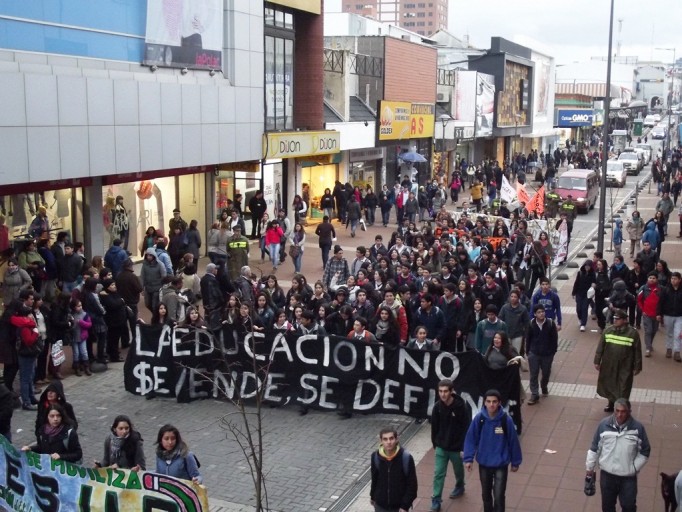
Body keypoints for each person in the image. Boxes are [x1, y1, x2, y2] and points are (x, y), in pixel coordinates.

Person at [585, 398, 651, 512]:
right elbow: (594, 448)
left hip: (628, 477)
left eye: (623, 411)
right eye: (617, 411)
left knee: (629, 506)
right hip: (607, 476)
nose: (620, 414)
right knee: (607, 507)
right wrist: (589, 468)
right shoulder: (603, 425)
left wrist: (634, 467)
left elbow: (645, 450)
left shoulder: (637, 428)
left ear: (629, 411)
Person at [463, 389, 522, 512]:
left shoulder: (506, 421)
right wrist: (468, 459)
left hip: (501, 464)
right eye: (488, 401)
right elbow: (470, 439)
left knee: (499, 496)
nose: (491, 404)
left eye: (494, 402)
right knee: (486, 495)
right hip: (484, 464)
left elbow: (513, 441)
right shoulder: (479, 419)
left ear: (499, 403)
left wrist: (515, 462)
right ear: (484, 402)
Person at [429, 379, 471, 511]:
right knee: (438, 473)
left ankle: (460, 485)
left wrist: (464, 448)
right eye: (440, 391)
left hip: (456, 447)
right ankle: (436, 499)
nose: (442, 394)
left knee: (458, 470)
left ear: (451, 391)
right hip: (441, 446)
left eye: (445, 391)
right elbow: (434, 427)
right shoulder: (437, 407)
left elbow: (466, 427)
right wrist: (435, 443)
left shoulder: (461, 407)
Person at [594, 309, 642, 412]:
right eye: (614, 318)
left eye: (618, 319)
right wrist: (597, 361)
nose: (615, 321)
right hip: (609, 364)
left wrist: (637, 367)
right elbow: (600, 347)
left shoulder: (632, 333)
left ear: (625, 320)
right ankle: (611, 404)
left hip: (625, 365)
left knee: (624, 387)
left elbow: (637, 351)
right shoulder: (608, 330)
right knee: (610, 385)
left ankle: (623, 408)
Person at [369, 427, 418, 512]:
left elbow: (412, 485)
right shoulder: (375, 457)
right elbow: (375, 479)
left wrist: (405, 505)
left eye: (391, 438)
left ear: (396, 439)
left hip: (399, 507)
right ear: (381, 441)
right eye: (385, 439)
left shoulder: (406, 458)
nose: (389, 442)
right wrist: (373, 496)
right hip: (380, 506)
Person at [526, 304, 559, 405]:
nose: (541, 314)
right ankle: (534, 394)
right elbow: (528, 338)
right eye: (539, 312)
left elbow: (554, 339)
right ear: (535, 314)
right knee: (534, 374)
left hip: (547, 354)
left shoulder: (550, 323)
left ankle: (544, 385)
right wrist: (528, 352)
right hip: (534, 353)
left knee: (546, 372)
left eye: (542, 312)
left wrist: (553, 351)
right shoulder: (531, 324)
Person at [657, 271, 682, 361]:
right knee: (669, 333)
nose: (673, 280)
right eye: (672, 278)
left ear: (679, 280)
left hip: (679, 316)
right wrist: (659, 314)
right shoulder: (666, 290)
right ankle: (669, 349)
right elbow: (660, 302)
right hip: (668, 315)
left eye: (675, 279)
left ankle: (677, 352)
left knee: (678, 334)